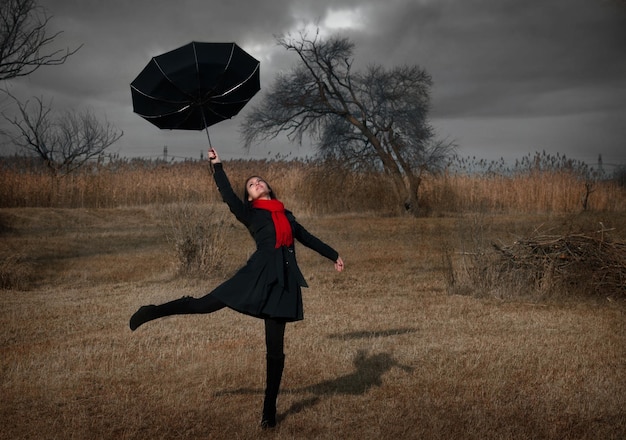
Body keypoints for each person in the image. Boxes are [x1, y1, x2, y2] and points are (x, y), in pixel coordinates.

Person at [129, 147, 344, 429]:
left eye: (259, 181)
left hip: (283, 283)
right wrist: (217, 166)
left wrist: (333, 255)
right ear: (250, 196)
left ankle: (269, 412)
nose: (255, 183)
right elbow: (228, 196)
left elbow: (307, 238)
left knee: (275, 351)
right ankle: (153, 311)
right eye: (251, 185)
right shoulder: (250, 213)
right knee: (203, 305)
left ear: (268, 187)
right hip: (254, 276)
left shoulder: (286, 215)